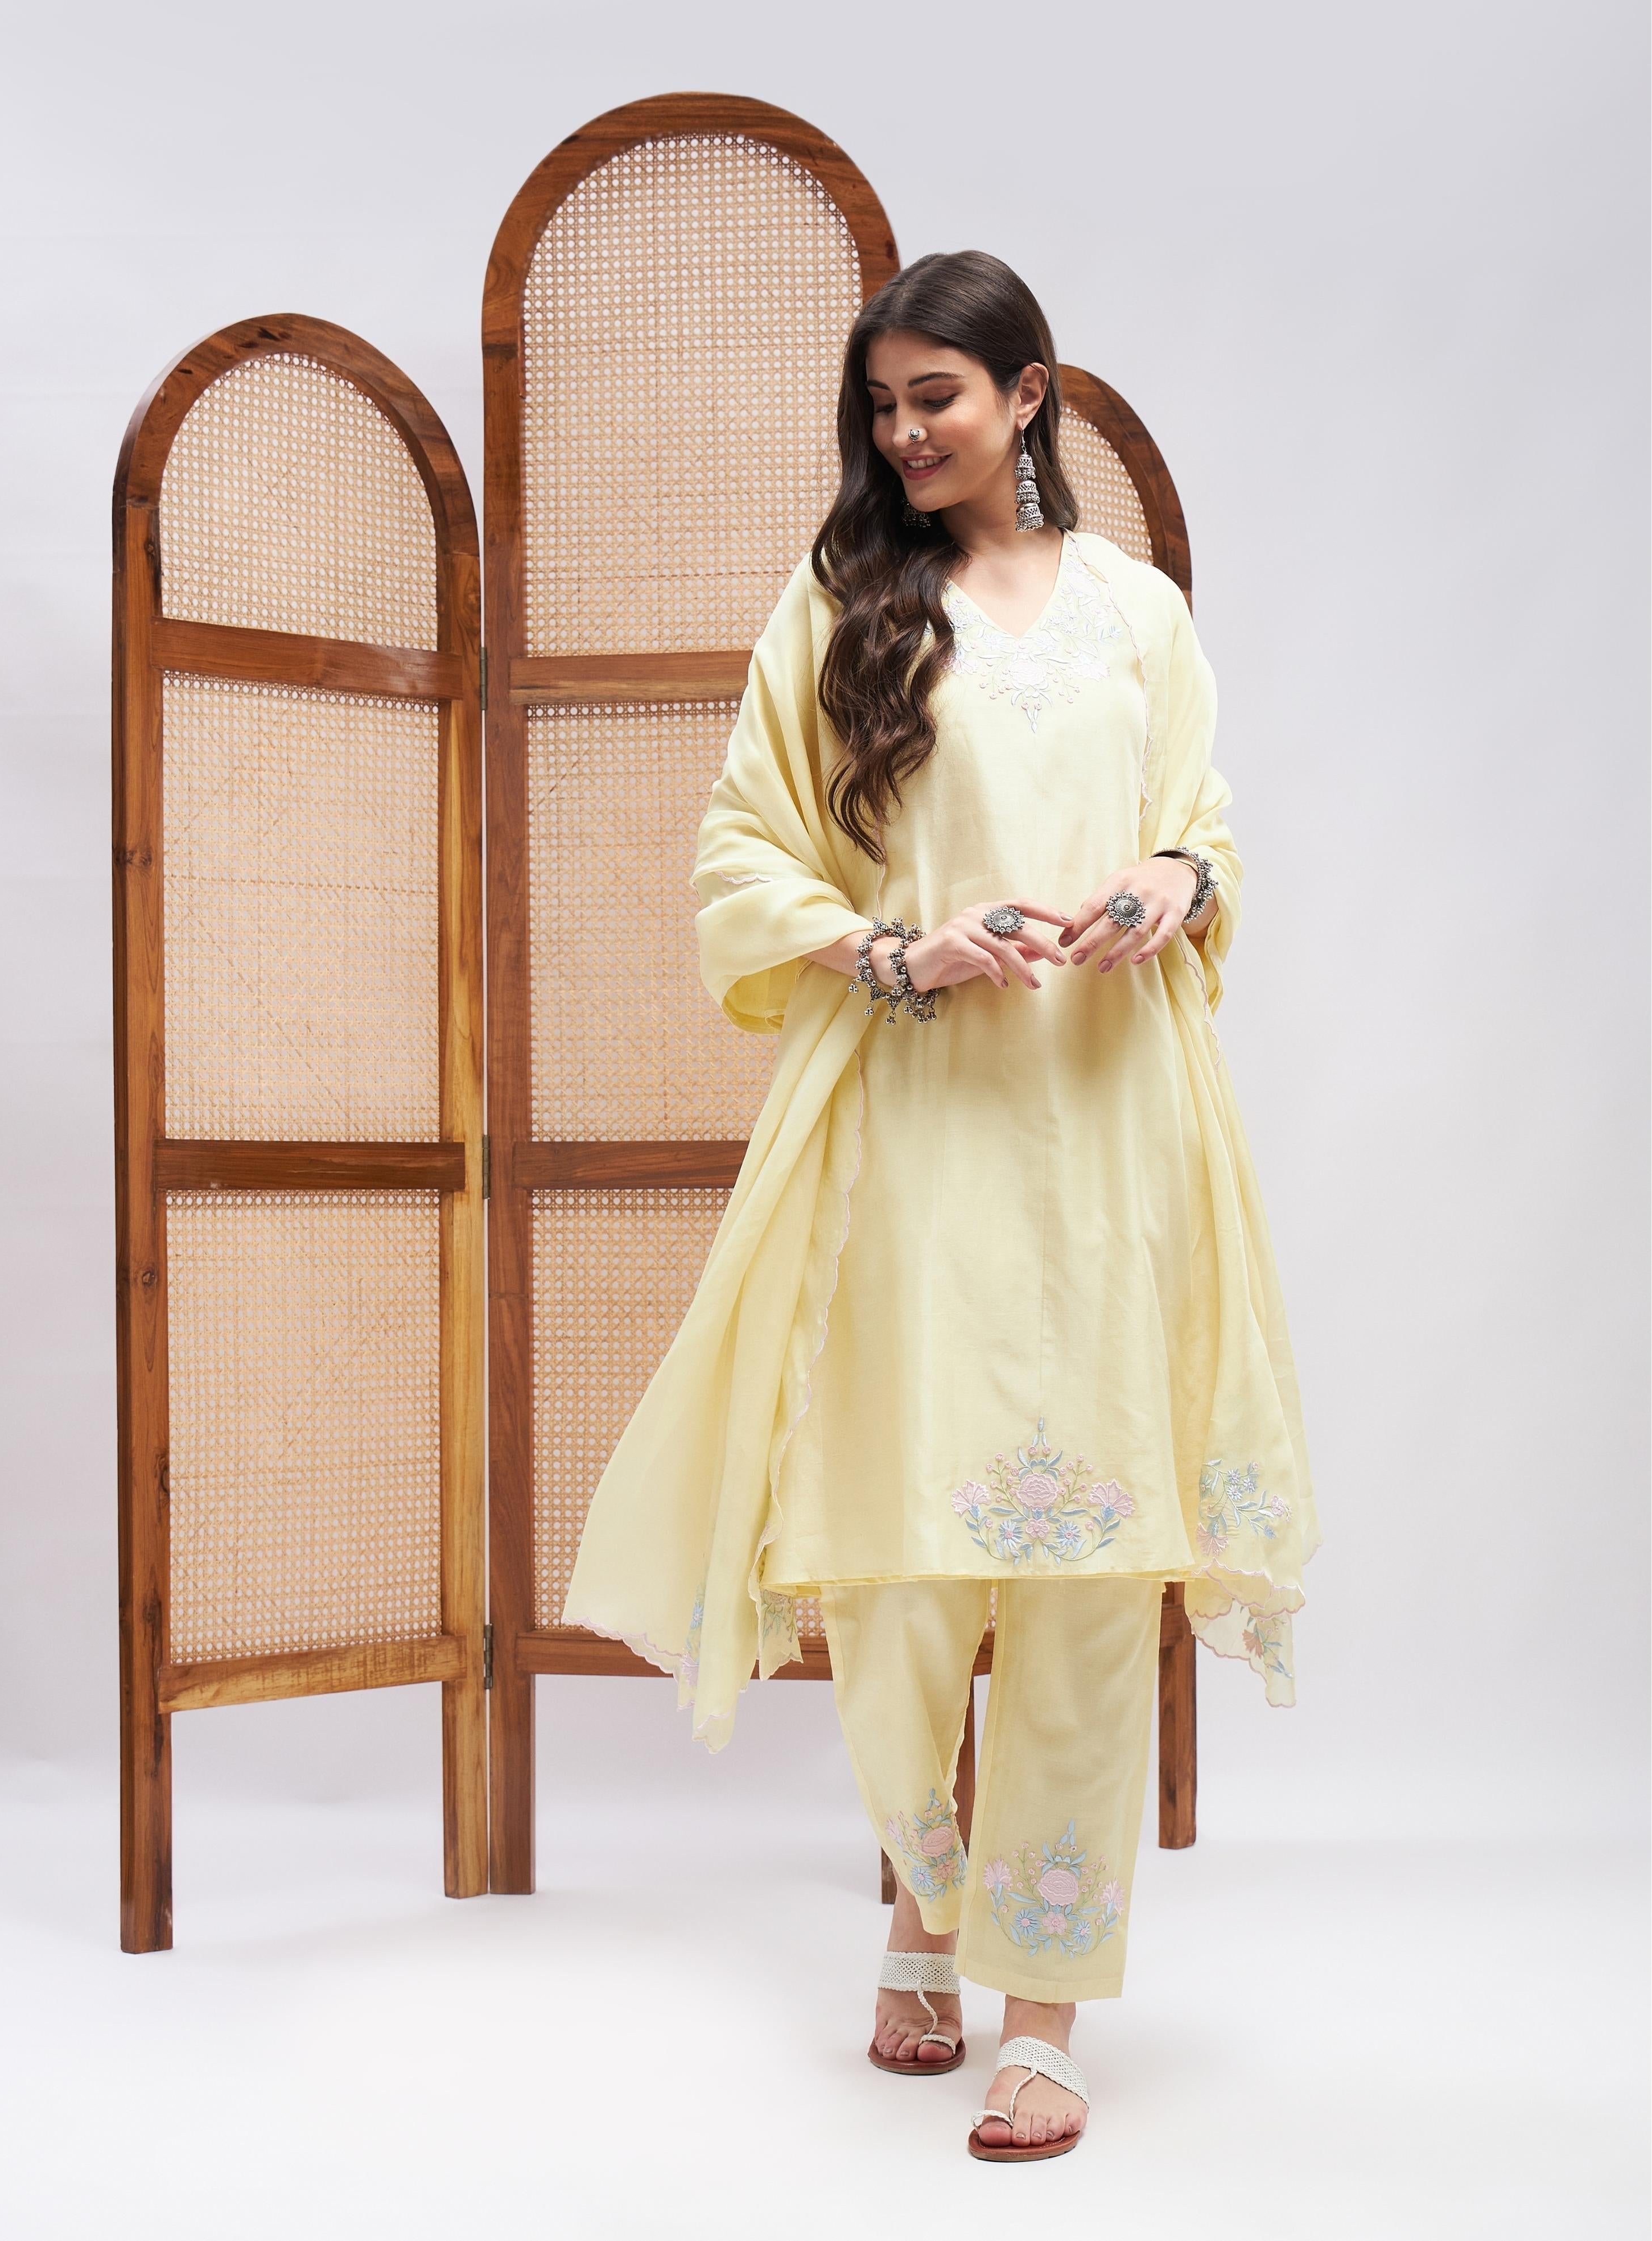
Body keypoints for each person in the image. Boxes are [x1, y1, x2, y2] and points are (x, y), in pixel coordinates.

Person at [564, 249, 1319, 2164]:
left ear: (1026, 393)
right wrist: (899, 950)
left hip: (1109, 1125)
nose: (904, 434)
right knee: (897, 1553)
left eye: (939, 398)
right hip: (913, 1126)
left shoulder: (1137, 612)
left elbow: (1205, 829)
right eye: (882, 405)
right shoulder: (841, 604)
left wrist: (1169, 884)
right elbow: (743, 853)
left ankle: (1041, 2002)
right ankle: (920, 1897)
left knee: (1086, 1566)